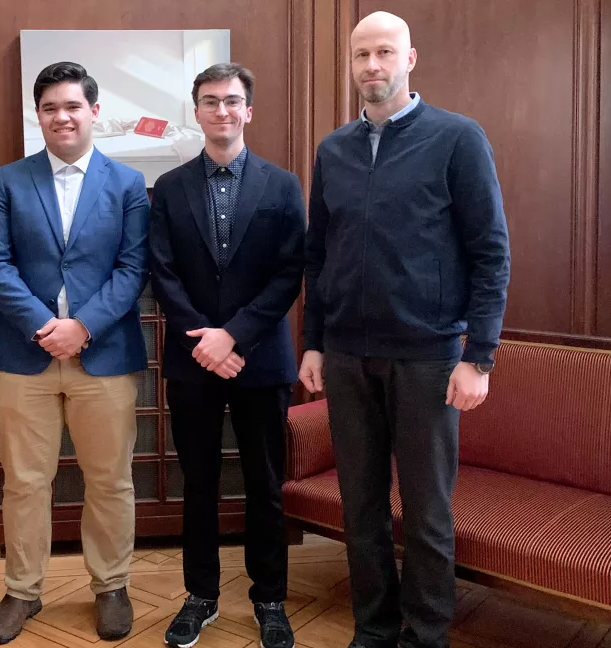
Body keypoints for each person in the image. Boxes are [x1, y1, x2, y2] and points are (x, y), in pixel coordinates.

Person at [299, 11, 511, 648]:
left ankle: (426, 633)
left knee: (425, 513)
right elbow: (319, 255)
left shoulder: (457, 138)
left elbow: (490, 250)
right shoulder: (332, 150)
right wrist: (313, 341)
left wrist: (481, 355)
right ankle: (374, 628)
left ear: (410, 58)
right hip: (345, 356)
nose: (372, 66)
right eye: (361, 55)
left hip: (429, 358)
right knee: (360, 509)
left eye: (384, 53)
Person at [0, 61, 149, 644]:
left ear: (94, 112)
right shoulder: (10, 179)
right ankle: (22, 590)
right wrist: (46, 325)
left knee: (110, 479)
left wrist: (84, 326)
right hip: (25, 356)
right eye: (50, 108)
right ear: (39, 116)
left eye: (72, 106)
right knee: (25, 482)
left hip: (103, 355)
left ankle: (112, 586)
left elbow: (133, 268)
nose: (62, 117)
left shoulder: (126, 184)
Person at [148, 63, 304, 648]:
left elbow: (289, 272)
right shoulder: (169, 187)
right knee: (200, 482)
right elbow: (161, 274)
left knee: (265, 483)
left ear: (249, 111)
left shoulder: (283, 185)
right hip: (193, 362)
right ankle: (202, 596)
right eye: (210, 101)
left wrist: (233, 336)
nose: (221, 110)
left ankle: (270, 600)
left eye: (232, 101)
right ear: (197, 111)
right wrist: (206, 341)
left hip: (261, 360)